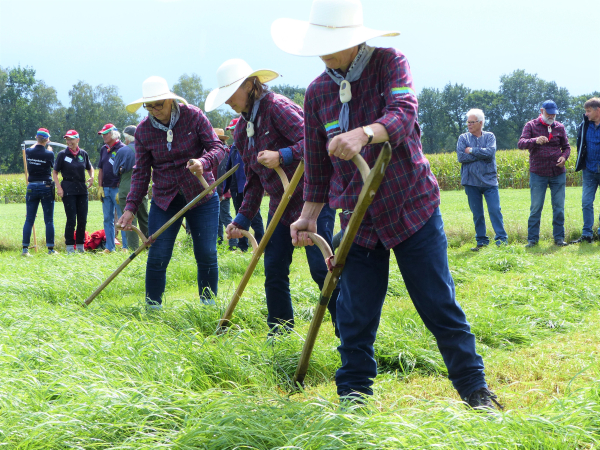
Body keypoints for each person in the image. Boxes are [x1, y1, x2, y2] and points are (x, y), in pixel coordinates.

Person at [274, 0, 499, 409]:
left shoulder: (389, 62)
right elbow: (318, 166)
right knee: (354, 314)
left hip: (410, 206)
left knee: (438, 303)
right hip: (357, 219)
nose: (324, 52)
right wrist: (306, 217)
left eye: (332, 42)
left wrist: (365, 133)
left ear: (354, 38)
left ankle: (476, 391)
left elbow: (404, 112)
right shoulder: (317, 92)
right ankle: (353, 401)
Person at [205, 58, 339, 335]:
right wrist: (241, 219)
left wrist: (283, 155)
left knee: (320, 268)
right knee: (274, 268)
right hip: (280, 205)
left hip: (311, 198)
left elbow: (316, 142)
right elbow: (253, 181)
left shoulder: (277, 107)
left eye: (231, 93)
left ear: (249, 85)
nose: (228, 101)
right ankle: (280, 332)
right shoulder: (242, 130)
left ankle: (347, 328)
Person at [118, 76, 226, 309]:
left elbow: (218, 148)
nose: (155, 110)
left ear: (170, 100)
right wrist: (130, 208)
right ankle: (153, 309)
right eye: (150, 106)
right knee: (157, 255)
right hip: (165, 200)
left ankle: (208, 307)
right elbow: (140, 173)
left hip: (202, 195)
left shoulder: (194, 116)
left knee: (206, 253)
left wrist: (203, 162)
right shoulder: (144, 131)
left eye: (159, 104)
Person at [518, 100, 571, 247]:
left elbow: (567, 147)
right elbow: (521, 143)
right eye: (549, 113)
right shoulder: (531, 125)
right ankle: (532, 240)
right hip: (538, 173)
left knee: (559, 207)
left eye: (554, 113)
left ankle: (559, 238)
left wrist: (564, 157)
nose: (552, 116)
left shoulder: (560, 127)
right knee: (536, 207)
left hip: (557, 172)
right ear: (542, 111)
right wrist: (534, 141)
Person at [456, 109, 508, 251]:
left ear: (481, 123)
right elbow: (461, 157)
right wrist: (481, 153)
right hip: (471, 182)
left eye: (472, 122)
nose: (469, 125)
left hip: (490, 182)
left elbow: (490, 153)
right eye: (468, 122)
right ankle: (481, 241)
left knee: (495, 210)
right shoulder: (463, 138)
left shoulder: (490, 136)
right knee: (477, 214)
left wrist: (471, 150)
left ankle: (501, 240)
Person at [224, 117, 265, 252]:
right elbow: (229, 169)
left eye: (234, 130)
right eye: (230, 131)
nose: (232, 133)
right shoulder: (234, 148)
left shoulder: (250, 145)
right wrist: (226, 188)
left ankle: (261, 245)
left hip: (249, 186)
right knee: (239, 216)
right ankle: (242, 246)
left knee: (255, 217)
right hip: (236, 188)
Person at [52, 129, 94, 253]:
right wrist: (59, 188)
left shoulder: (83, 154)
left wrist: (91, 177)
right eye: (67, 139)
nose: (69, 141)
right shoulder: (62, 154)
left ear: (77, 140)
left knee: (82, 218)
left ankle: (80, 245)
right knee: (71, 218)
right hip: (68, 189)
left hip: (82, 189)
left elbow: (90, 167)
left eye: (71, 139)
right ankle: (69, 246)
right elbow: (55, 172)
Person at [113, 125, 149, 251]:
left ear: (127, 138)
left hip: (126, 188)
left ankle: (134, 250)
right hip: (143, 189)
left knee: (128, 222)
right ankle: (150, 247)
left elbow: (115, 171)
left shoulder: (122, 151)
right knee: (145, 219)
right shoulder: (145, 149)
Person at [22, 128, 56, 256]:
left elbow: (32, 148)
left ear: (36, 138)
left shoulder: (28, 151)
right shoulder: (49, 154)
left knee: (29, 219)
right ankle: (50, 249)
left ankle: (25, 249)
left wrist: (38, 141)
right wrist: (49, 149)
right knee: (49, 220)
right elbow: (53, 166)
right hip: (46, 186)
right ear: (47, 139)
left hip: (31, 186)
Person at [571, 98, 600, 244]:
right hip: (589, 169)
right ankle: (587, 234)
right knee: (586, 202)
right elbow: (580, 145)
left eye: (589, 111)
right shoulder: (584, 125)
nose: (586, 114)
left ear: (598, 110)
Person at [97, 123, 128, 253]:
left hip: (117, 189)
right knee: (107, 219)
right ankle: (110, 247)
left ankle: (126, 247)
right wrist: (100, 187)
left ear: (114, 134)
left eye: (106, 133)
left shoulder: (123, 149)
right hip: (106, 189)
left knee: (123, 218)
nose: (103, 136)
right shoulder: (104, 149)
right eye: (102, 134)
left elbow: (126, 171)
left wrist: (121, 189)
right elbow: (101, 169)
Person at [212, 127, 236, 249]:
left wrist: (221, 192)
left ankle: (233, 243)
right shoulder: (221, 151)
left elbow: (222, 174)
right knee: (218, 218)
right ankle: (219, 242)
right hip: (218, 190)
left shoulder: (221, 152)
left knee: (225, 217)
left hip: (222, 191)